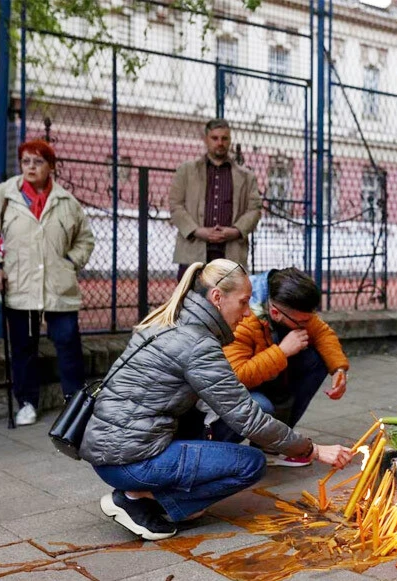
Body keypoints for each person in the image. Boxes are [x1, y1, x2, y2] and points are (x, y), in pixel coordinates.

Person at [80, 260, 353, 541]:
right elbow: (246, 417)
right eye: (243, 302)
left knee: (234, 421)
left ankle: (150, 494)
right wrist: (314, 450)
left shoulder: (174, 320)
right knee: (251, 464)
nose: (247, 312)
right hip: (129, 460)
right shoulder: (198, 342)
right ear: (217, 297)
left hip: (112, 449)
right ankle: (142, 500)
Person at [0, 140, 95, 426]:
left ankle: (74, 403)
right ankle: (27, 402)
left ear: (51, 166)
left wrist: (70, 261)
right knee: (23, 347)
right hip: (20, 284)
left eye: (38, 162)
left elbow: (85, 239)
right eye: (26, 161)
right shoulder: (4, 195)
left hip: (58, 285)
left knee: (67, 343)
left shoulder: (67, 201)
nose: (30, 167)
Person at [214, 268, 349, 466]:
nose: (308, 323)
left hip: (266, 370)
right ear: (275, 313)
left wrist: (338, 369)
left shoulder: (287, 303)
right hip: (229, 391)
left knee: (316, 359)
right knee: (261, 406)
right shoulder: (244, 316)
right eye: (303, 321)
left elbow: (322, 332)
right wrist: (282, 352)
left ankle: (273, 445)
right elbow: (235, 376)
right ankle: (214, 453)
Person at [169, 119, 262, 279]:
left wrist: (236, 231)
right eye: (215, 138)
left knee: (230, 295)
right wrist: (198, 231)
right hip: (193, 254)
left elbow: (254, 209)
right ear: (206, 139)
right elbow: (175, 206)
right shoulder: (186, 171)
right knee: (191, 295)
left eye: (224, 138)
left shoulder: (246, 177)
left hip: (231, 255)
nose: (220, 143)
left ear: (230, 140)